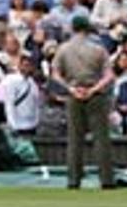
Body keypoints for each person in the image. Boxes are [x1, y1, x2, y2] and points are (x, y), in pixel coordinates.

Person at [48, 14, 120, 189]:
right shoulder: (98, 49)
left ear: (73, 28)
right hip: (95, 95)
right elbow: (109, 75)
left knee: (74, 140)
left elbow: (55, 73)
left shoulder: (64, 49)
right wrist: (94, 89)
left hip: (74, 94)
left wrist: (70, 89)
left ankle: (73, 180)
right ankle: (107, 180)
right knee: (101, 139)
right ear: (87, 29)